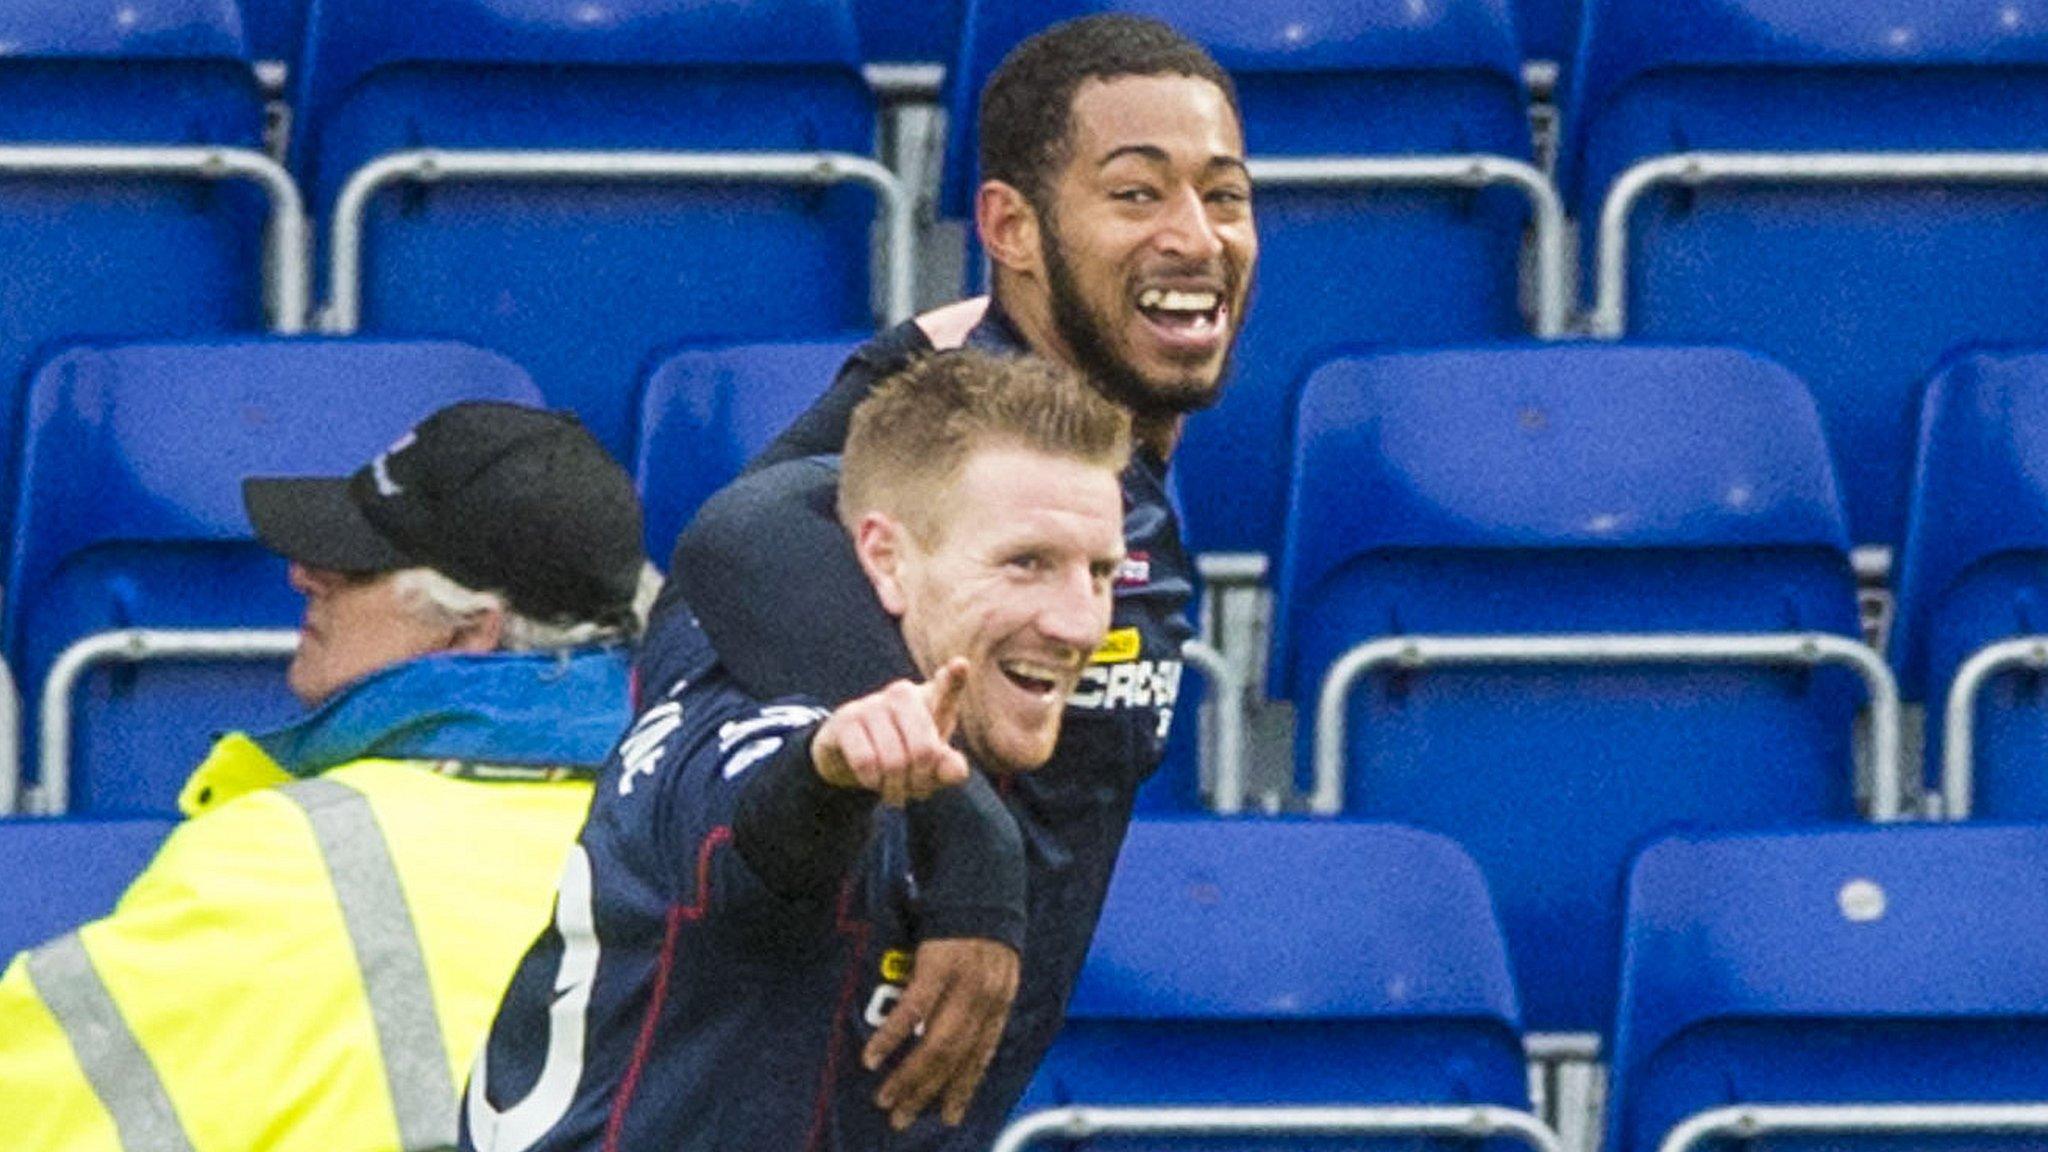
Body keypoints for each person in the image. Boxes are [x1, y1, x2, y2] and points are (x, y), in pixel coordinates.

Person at [637, 12, 1259, 1147]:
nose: (1196, 236)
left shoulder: (1111, 469)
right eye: (1135, 195)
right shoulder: (956, 449)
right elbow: (731, 539)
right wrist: (970, 845)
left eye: (1223, 195)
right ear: (1010, 229)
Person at [462, 349, 1132, 1152]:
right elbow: (760, 830)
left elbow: (752, 511)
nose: (1078, 623)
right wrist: (832, 768)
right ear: (884, 558)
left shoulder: (704, 626)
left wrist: (904, 343)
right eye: (1026, 564)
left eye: (1099, 573)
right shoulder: (748, 728)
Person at [0, 400, 658, 1152]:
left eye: (358, 566)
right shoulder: (697, 832)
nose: (305, 574)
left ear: (469, 631)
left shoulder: (286, 857)